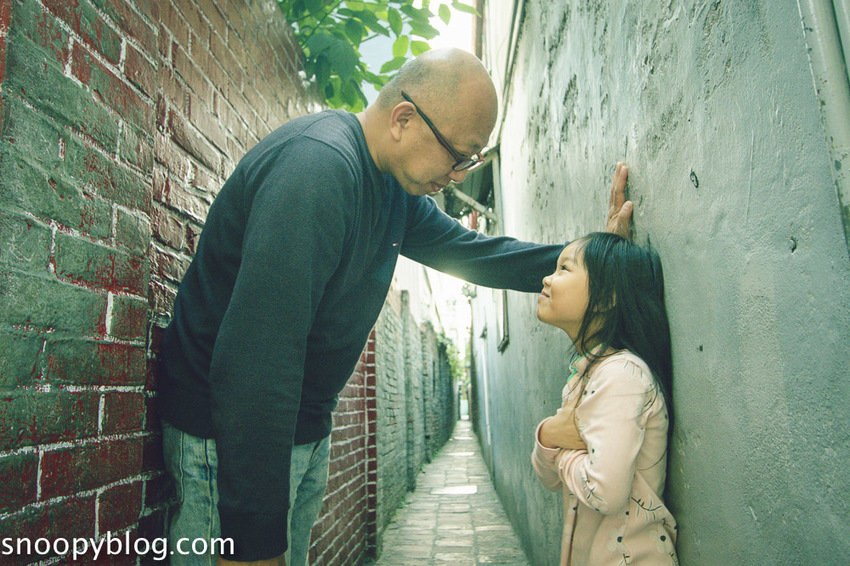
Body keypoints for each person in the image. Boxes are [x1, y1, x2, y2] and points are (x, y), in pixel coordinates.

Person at [158, 47, 634, 566]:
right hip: (226, 443)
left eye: (470, 161)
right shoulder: (318, 167)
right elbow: (257, 358)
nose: (458, 175)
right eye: (458, 154)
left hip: (299, 431)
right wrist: (251, 537)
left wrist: (593, 261)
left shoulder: (390, 188)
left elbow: (475, 254)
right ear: (404, 118)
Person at [531, 232, 678, 566]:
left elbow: (603, 491)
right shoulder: (585, 374)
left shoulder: (621, 374)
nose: (547, 278)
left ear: (606, 296)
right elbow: (548, 478)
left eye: (564, 269)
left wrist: (561, 450)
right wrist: (548, 435)